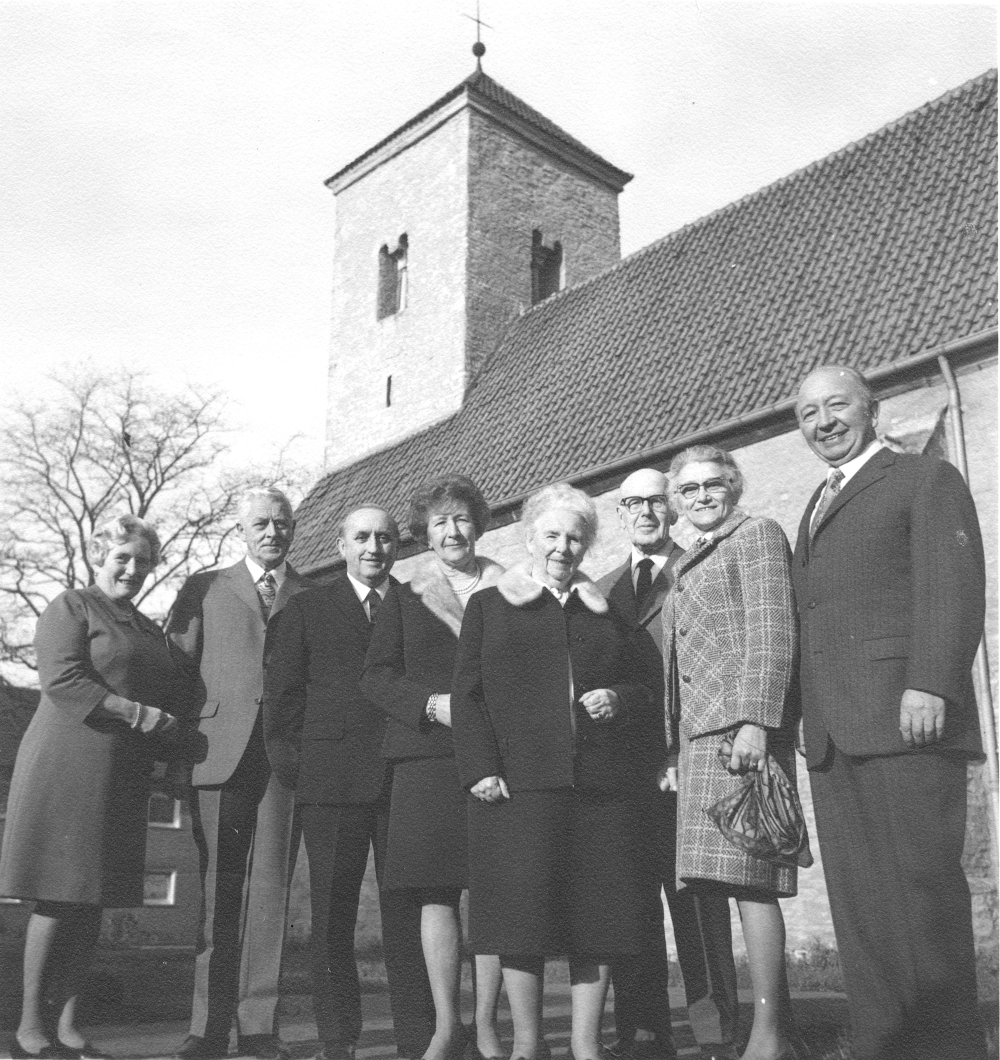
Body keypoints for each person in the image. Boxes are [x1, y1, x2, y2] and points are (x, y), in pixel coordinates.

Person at [792, 365, 987, 1060]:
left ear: (870, 408)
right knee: (862, 913)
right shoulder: (816, 501)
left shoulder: (921, 479)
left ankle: (947, 1048)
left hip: (908, 723)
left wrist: (931, 682)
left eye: (836, 405)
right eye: (808, 413)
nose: (823, 422)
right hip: (835, 737)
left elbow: (953, 584)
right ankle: (882, 1045)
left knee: (923, 901)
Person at [451, 482, 648, 1060]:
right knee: (520, 922)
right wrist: (480, 769)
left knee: (599, 920)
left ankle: (585, 1048)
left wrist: (619, 697)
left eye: (575, 537)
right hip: (517, 786)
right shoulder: (488, 606)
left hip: (597, 787)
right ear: (530, 538)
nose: (563, 547)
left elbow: (645, 685)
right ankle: (528, 1048)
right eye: (552, 535)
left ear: (587, 546)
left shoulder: (608, 613)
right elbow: (468, 695)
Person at [0, 515, 180, 1060]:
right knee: (60, 894)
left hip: (121, 770)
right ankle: (30, 1024)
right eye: (121, 556)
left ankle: (71, 1024)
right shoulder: (71, 606)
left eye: (142, 561)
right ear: (98, 555)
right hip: (69, 761)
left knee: (94, 898)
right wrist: (141, 715)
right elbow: (62, 678)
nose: (131, 568)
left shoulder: (148, 628)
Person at [264, 506, 432, 1060]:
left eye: (385, 538)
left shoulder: (415, 606)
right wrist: (302, 773)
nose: (374, 548)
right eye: (361, 538)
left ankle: (417, 1040)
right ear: (341, 546)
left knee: (406, 916)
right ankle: (338, 1042)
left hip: (404, 781)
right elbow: (282, 703)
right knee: (332, 918)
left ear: (398, 547)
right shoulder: (308, 608)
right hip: (330, 785)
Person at [663, 445, 800, 1060]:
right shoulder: (691, 555)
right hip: (699, 744)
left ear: (734, 485)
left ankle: (770, 1036)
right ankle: (758, 1032)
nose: (701, 498)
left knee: (756, 882)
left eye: (712, 485)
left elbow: (772, 629)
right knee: (719, 882)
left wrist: (755, 725)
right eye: (688, 490)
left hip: (739, 739)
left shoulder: (757, 535)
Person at [361, 476, 505, 1060]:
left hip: (499, 757)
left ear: (479, 525)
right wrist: (430, 705)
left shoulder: (511, 588)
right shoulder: (407, 594)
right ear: (426, 532)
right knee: (436, 894)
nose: (452, 531)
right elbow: (376, 677)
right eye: (440, 522)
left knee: (498, 893)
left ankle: (490, 1029)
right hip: (427, 759)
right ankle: (447, 1028)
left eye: (462, 519)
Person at [597, 468, 739, 1060]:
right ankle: (643, 1030)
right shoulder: (601, 592)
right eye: (634, 503)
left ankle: (716, 1033)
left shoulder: (697, 570)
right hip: (622, 775)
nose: (647, 512)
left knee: (698, 903)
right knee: (631, 903)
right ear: (621, 514)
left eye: (658, 501)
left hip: (686, 763)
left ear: (674, 509)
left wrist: (679, 750)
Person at [167, 487, 312, 1060]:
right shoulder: (205, 587)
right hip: (216, 751)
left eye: (281, 523)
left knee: (270, 893)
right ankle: (207, 1028)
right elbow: (177, 668)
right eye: (260, 523)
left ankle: (258, 1026)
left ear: (294, 529)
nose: (272, 532)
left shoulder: (310, 594)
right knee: (218, 895)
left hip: (282, 760)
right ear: (241, 529)